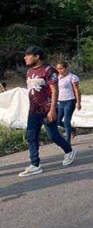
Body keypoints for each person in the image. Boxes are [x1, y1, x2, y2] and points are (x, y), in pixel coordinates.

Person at [18, 47, 76, 177]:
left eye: (28, 55)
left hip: (47, 109)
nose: (25, 57)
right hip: (34, 110)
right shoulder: (29, 71)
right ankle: (35, 164)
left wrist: (52, 109)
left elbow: (55, 90)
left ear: (37, 56)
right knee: (31, 136)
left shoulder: (49, 70)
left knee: (53, 135)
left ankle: (69, 151)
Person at [56, 61, 81, 145]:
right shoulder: (58, 78)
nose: (59, 70)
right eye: (58, 69)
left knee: (67, 121)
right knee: (58, 121)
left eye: (61, 68)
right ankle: (73, 129)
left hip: (70, 101)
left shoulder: (72, 77)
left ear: (66, 68)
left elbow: (77, 90)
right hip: (60, 101)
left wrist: (78, 102)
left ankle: (68, 141)